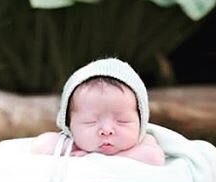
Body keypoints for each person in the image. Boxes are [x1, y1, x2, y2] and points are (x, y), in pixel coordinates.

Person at [31, 58, 165, 166]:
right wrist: (69, 147)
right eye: (90, 122)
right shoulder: (72, 143)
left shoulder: (144, 143)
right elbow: (40, 146)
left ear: (141, 121)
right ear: (69, 124)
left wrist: (94, 158)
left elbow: (155, 158)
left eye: (122, 121)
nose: (106, 130)